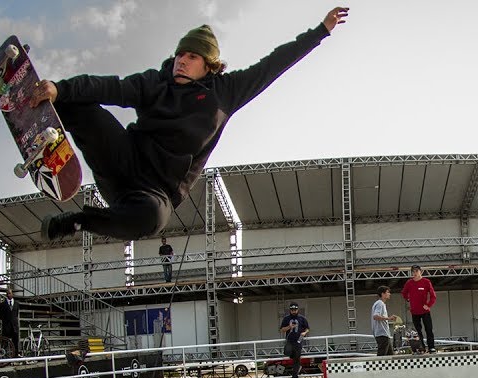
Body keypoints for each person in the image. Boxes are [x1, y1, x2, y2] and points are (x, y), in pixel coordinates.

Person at [29, 9, 350, 243]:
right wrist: (60, 89)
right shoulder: (156, 82)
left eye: (191, 57)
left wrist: (321, 30)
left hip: (154, 193)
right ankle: (26, 102)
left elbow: (273, 64)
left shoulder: (226, 92)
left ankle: (77, 222)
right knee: (80, 102)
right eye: (180, 55)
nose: (181, 61)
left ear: (208, 65)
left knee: (152, 219)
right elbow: (110, 87)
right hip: (124, 161)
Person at [402, 265, 437, 353]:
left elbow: (433, 296)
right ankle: (421, 347)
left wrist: (429, 305)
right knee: (417, 331)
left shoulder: (426, 282)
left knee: (429, 329)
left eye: (416, 271)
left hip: (425, 311)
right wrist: (408, 299)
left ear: (421, 272)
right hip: (414, 311)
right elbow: (404, 293)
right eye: (413, 272)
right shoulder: (409, 283)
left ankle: (431, 347)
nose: (415, 273)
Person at [280, 302, 310, 378]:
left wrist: (304, 333)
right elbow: (282, 330)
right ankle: (295, 365)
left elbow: (307, 328)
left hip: (298, 340)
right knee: (287, 352)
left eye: (295, 310)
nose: (294, 311)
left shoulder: (302, 318)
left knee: (297, 359)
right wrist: (289, 327)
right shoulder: (286, 318)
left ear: (298, 310)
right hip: (290, 340)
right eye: (292, 310)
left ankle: (295, 377)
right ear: (290, 310)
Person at [370, 285, 399, 356]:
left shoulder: (378, 304)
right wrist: (389, 318)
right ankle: (377, 367)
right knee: (382, 356)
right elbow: (375, 316)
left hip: (383, 334)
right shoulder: (380, 304)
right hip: (382, 334)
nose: (389, 294)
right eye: (388, 292)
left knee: (390, 356)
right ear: (383, 294)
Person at [0, 289, 19, 356]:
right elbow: (0, 314)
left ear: (12, 294)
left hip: (14, 326)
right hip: (6, 326)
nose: (8, 295)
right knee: (5, 342)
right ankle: (4, 356)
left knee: (15, 342)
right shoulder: (3, 304)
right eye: (7, 293)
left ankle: (15, 355)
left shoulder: (16, 303)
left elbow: (16, 314)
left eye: (10, 293)